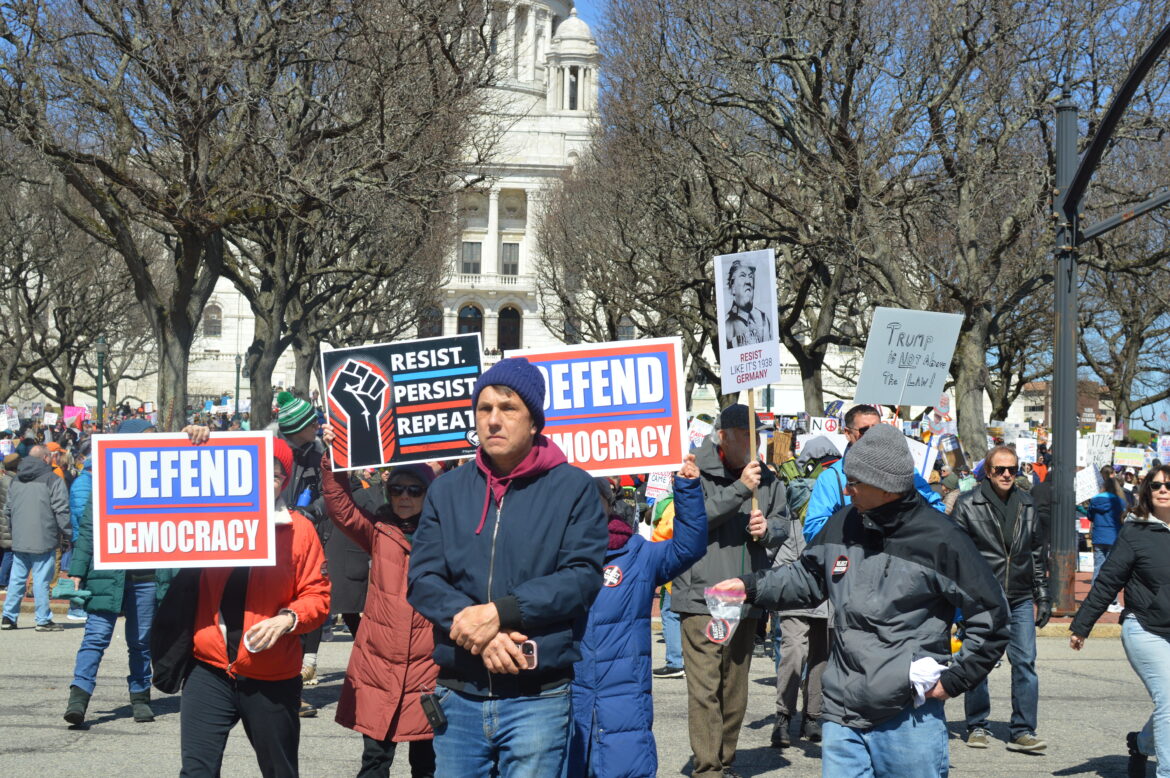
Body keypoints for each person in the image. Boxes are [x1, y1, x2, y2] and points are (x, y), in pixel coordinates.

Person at [713, 423, 1010, 778]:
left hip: (909, 716)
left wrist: (957, 679)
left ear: (885, 486)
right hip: (841, 713)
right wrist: (750, 587)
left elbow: (992, 617)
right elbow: (806, 579)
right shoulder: (842, 523)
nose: (846, 489)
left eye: (854, 482)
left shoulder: (942, 539)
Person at [407, 357, 608, 775]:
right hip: (459, 693)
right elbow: (423, 579)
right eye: (484, 409)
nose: (493, 420)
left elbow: (581, 578)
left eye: (508, 407)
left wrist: (499, 613)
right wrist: (479, 633)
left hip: (537, 697)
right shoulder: (446, 490)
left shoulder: (574, 488)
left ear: (534, 421)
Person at [169, 429, 331, 778]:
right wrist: (187, 443)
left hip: (271, 674)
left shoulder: (299, 531)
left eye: (274, 475)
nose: (264, 482)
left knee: (279, 771)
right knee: (196, 771)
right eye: (255, 472)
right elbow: (175, 488)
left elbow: (318, 596)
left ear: (284, 482)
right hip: (209, 669)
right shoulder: (208, 518)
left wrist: (288, 619)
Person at [569, 455, 707, 778]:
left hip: (625, 713)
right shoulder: (553, 558)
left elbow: (689, 547)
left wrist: (686, 487)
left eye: (595, 499)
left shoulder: (637, 554)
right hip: (570, 712)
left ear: (609, 503)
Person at [671, 403, 788, 778]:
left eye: (758, 436)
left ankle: (725, 760)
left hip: (745, 596)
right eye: (745, 437)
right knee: (706, 689)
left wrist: (766, 529)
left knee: (734, 690)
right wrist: (740, 490)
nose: (755, 446)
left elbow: (784, 522)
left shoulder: (768, 479)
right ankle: (707, 769)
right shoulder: (694, 471)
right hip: (702, 596)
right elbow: (694, 521)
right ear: (723, 436)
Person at [321, 442, 438, 778]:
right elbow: (341, 507)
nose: (404, 497)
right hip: (378, 667)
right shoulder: (377, 530)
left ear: (428, 494)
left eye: (414, 490)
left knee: (427, 765)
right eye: (397, 489)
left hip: (427, 670)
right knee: (374, 761)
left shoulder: (446, 535)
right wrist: (336, 454)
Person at [63, 418, 173, 726]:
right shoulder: (106, 482)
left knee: (141, 641)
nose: (152, 444)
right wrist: (77, 569)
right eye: (146, 438)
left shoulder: (163, 482)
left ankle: (140, 695)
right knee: (96, 637)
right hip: (107, 574)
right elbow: (88, 529)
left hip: (147, 577)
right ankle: (79, 697)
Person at [1071, 465, 1170, 778]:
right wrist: (1082, 625)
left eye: (1169, 484)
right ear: (1147, 492)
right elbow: (1108, 580)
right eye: (1156, 486)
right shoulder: (1136, 532)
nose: (1163, 490)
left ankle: (1141, 744)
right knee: (1169, 699)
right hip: (1145, 627)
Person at [950, 445, 1050, 753]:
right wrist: (961, 602)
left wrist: (1042, 594)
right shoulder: (968, 504)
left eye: (1012, 469)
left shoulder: (1027, 504)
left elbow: (1036, 552)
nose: (1007, 474)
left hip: (1020, 595)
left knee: (1025, 663)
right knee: (978, 661)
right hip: (983, 596)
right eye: (1000, 469)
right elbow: (957, 555)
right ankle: (977, 724)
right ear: (988, 472)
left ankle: (1023, 729)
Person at [803, 404, 944, 542]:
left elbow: (937, 511)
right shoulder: (831, 477)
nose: (873, 436)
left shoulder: (902, 470)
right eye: (864, 430)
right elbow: (814, 532)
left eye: (877, 429)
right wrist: (859, 533)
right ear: (847, 433)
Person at [275, 390, 329, 714]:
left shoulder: (320, 454)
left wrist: (311, 514)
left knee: (301, 609)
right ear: (298, 427)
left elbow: (332, 496)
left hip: (306, 538)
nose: (318, 426)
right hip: (273, 539)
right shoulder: (269, 452)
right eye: (313, 423)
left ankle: (292, 691)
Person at [1, 444, 70, 631]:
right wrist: (68, 534)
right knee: (41, 579)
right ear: (46, 458)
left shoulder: (16, 480)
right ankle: (42, 619)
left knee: (17, 578)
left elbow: (7, 510)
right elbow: (61, 510)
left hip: (20, 537)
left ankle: (8, 617)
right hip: (44, 536)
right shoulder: (53, 479)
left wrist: (14, 531)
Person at [650, 494, 685, 678]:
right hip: (702, 564)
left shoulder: (671, 503)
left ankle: (675, 662)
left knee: (670, 613)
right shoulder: (707, 496)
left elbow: (660, 535)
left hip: (675, 564)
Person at [1087, 465, 1127, 612]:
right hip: (1114, 537)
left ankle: (1094, 599)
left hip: (1098, 536)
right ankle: (1113, 601)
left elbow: (1090, 516)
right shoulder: (1119, 501)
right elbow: (1122, 518)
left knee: (1098, 568)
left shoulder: (1095, 499)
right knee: (1112, 571)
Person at [723, 259, 772, 348]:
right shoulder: (726, 326)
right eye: (742, 276)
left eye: (750, 277)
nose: (748, 281)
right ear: (733, 287)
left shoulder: (763, 319)